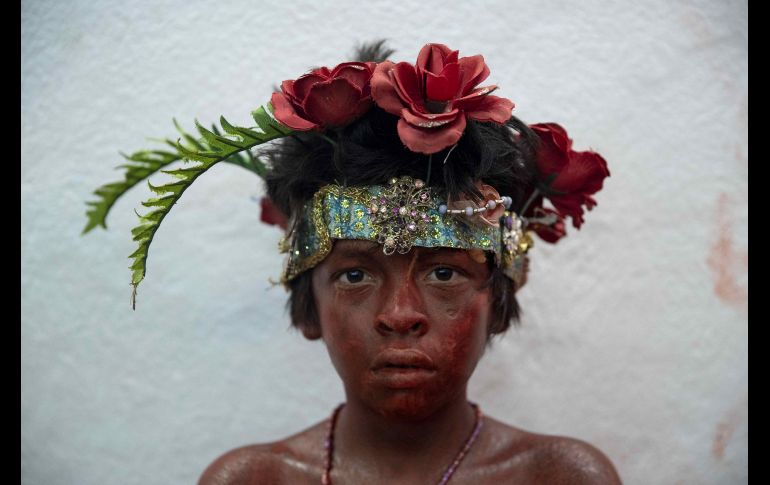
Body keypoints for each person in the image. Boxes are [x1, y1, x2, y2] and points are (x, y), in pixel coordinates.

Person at [84, 40, 620, 484]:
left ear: (499, 304)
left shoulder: (562, 477)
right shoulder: (251, 480)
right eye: (355, 275)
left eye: (444, 272)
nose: (400, 313)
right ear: (307, 309)